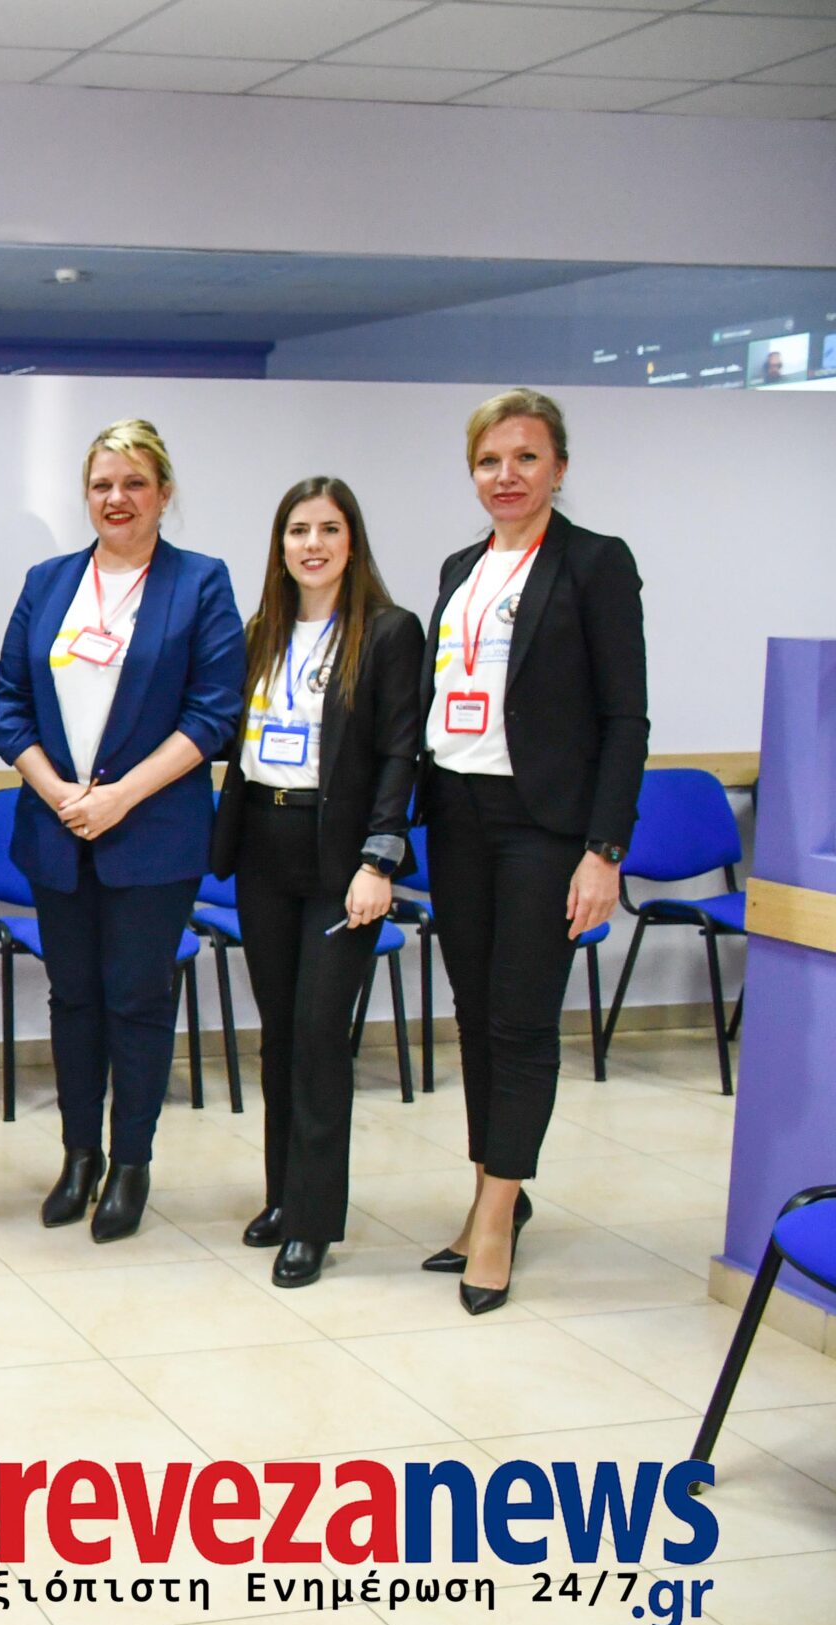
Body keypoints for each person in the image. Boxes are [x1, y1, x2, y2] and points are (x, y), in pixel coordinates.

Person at [419, 388, 647, 1314]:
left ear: (559, 467)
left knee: (520, 1020)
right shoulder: (459, 567)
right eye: (489, 461)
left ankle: (495, 1223)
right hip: (457, 813)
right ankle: (493, 1188)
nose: (505, 476)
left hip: (542, 825)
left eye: (524, 458)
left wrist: (605, 849)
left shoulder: (595, 563)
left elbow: (624, 718)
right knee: (475, 1017)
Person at [0, 419, 245, 1243]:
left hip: (154, 834)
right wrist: (63, 793)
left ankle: (131, 1161)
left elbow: (213, 714)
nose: (117, 498)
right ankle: (79, 1155)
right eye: (102, 484)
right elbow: (9, 707)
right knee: (73, 999)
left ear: (164, 493)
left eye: (135, 482)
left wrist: (119, 798)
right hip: (57, 828)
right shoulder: (50, 581)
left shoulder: (199, 583)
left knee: (137, 1000)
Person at [206, 477, 423, 1288]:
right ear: (281, 545)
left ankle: (315, 1220)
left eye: (329, 529)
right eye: (298, 530)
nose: (313, 544)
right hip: (264, 844)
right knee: (280, 1034)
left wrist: (379, 861)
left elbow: (401, 752)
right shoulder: (262, 631)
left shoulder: (389, 632)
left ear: (352, 540)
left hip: (341, 859)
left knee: (321, 1034)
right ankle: (282, 1195)